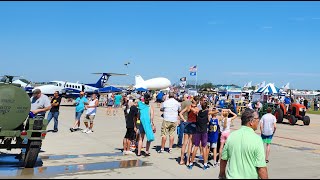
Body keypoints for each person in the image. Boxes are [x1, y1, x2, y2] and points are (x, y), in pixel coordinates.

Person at [219, 108, 268, 179]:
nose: (258, 121)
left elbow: (223, 159)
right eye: (258, 119)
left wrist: (222, 174)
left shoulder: (231, 136)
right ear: (251, 122)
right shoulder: (257, 140)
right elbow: (261, 168)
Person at [188, 102, 211, 170]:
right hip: (204, 132)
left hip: (198, 131)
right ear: (206, 107)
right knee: (204, 147)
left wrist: (193, 106)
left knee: (196, 147)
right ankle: (205, 164)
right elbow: (216, 111)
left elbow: (191, 108)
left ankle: (191, 163)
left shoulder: (198, 112)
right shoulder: (207, 112)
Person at [178, 96, 199, 166]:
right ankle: (187, 161)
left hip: (187, 124)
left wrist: (184, 120)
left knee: (184, 143)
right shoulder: (197, 109)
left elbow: (180, 113)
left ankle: (181, 160)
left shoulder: (188, 107)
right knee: (190, 144)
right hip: (193, 125)